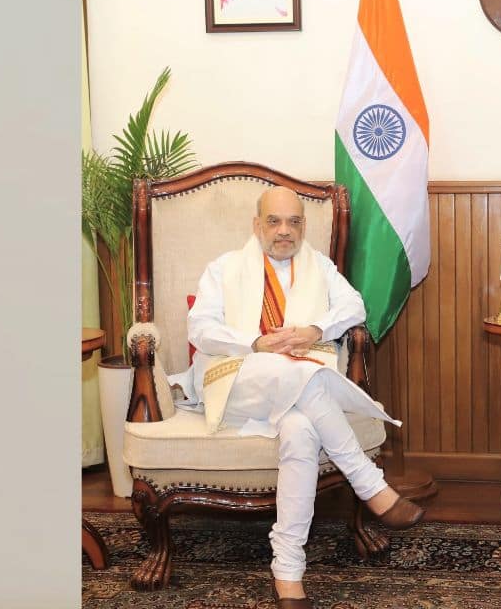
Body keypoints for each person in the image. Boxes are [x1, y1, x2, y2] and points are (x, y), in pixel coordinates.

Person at [167, 186, 423, 609]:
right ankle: (369, 484)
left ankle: (288, 574)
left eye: (295, 222)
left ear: (303, 226)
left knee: (302, 429)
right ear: (257, 225)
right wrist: (256, 343)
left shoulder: (319, 266)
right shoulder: (224, 268)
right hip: (238, 383)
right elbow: (201, 329)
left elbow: (354, 306)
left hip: (300, 393)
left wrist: (314, 331)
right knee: (306, 375)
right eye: (274, 221)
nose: (284, 231)